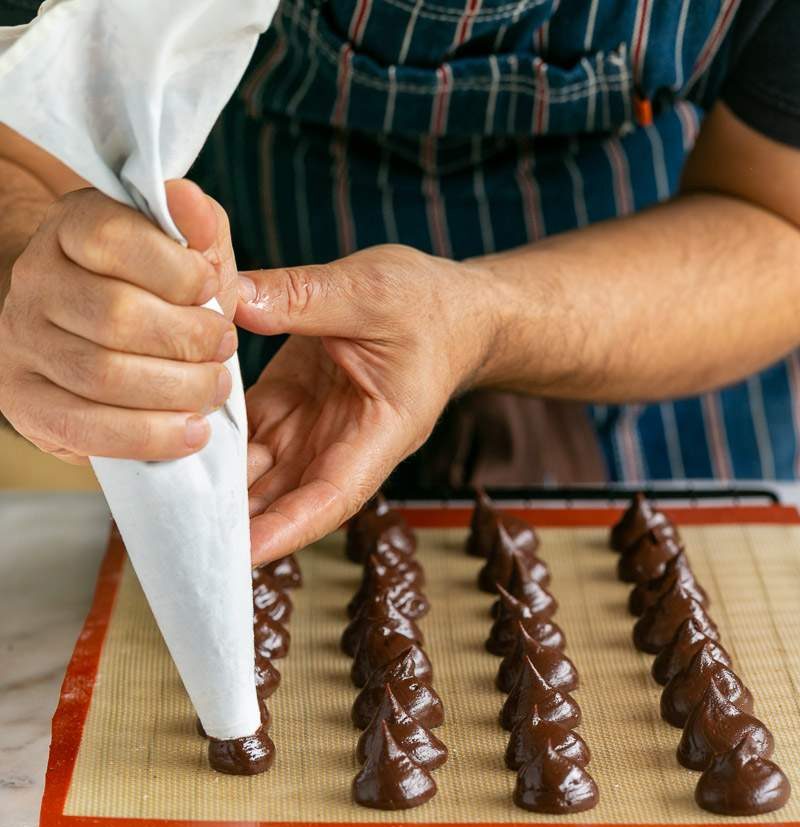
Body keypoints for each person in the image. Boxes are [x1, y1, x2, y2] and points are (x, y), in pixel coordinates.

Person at [0, 1, 799, 565]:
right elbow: (20, 138)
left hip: (669, 438)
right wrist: (34, 281)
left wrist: (486, 319)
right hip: (250, 447)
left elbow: (781, 222)